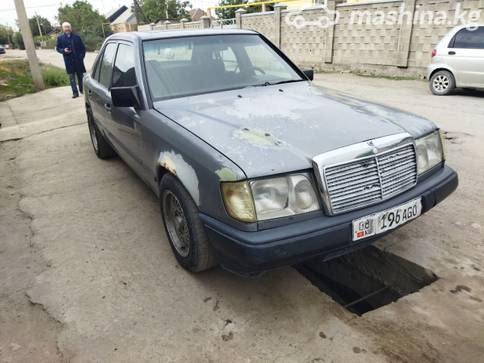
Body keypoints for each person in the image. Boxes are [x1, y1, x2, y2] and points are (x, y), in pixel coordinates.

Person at [56, 22, 86, 98]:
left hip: (78, 61)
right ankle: (75, 93)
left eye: (68, 27)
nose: (67, 28)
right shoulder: (60, 38)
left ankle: (82, 90)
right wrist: (63, 50)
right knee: (71, 78)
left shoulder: (77, 37)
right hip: (68, 61)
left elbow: (83, 48)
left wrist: (81, 57)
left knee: (80, 76)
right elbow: (58, 48)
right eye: (65, 27)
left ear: (71, 28)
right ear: (63, 29)